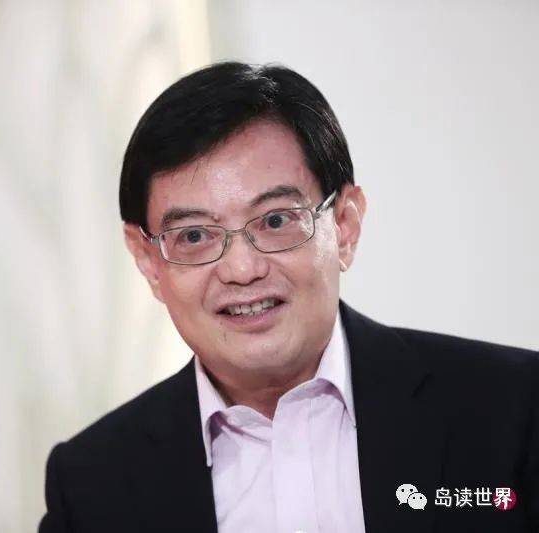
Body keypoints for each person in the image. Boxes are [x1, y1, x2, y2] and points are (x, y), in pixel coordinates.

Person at [37, 62, 538, 533]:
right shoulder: (92, 485)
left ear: (344, 226)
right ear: (148, 261)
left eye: (276, 220)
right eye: (193, 235)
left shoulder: (513, 410)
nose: (242, 270)